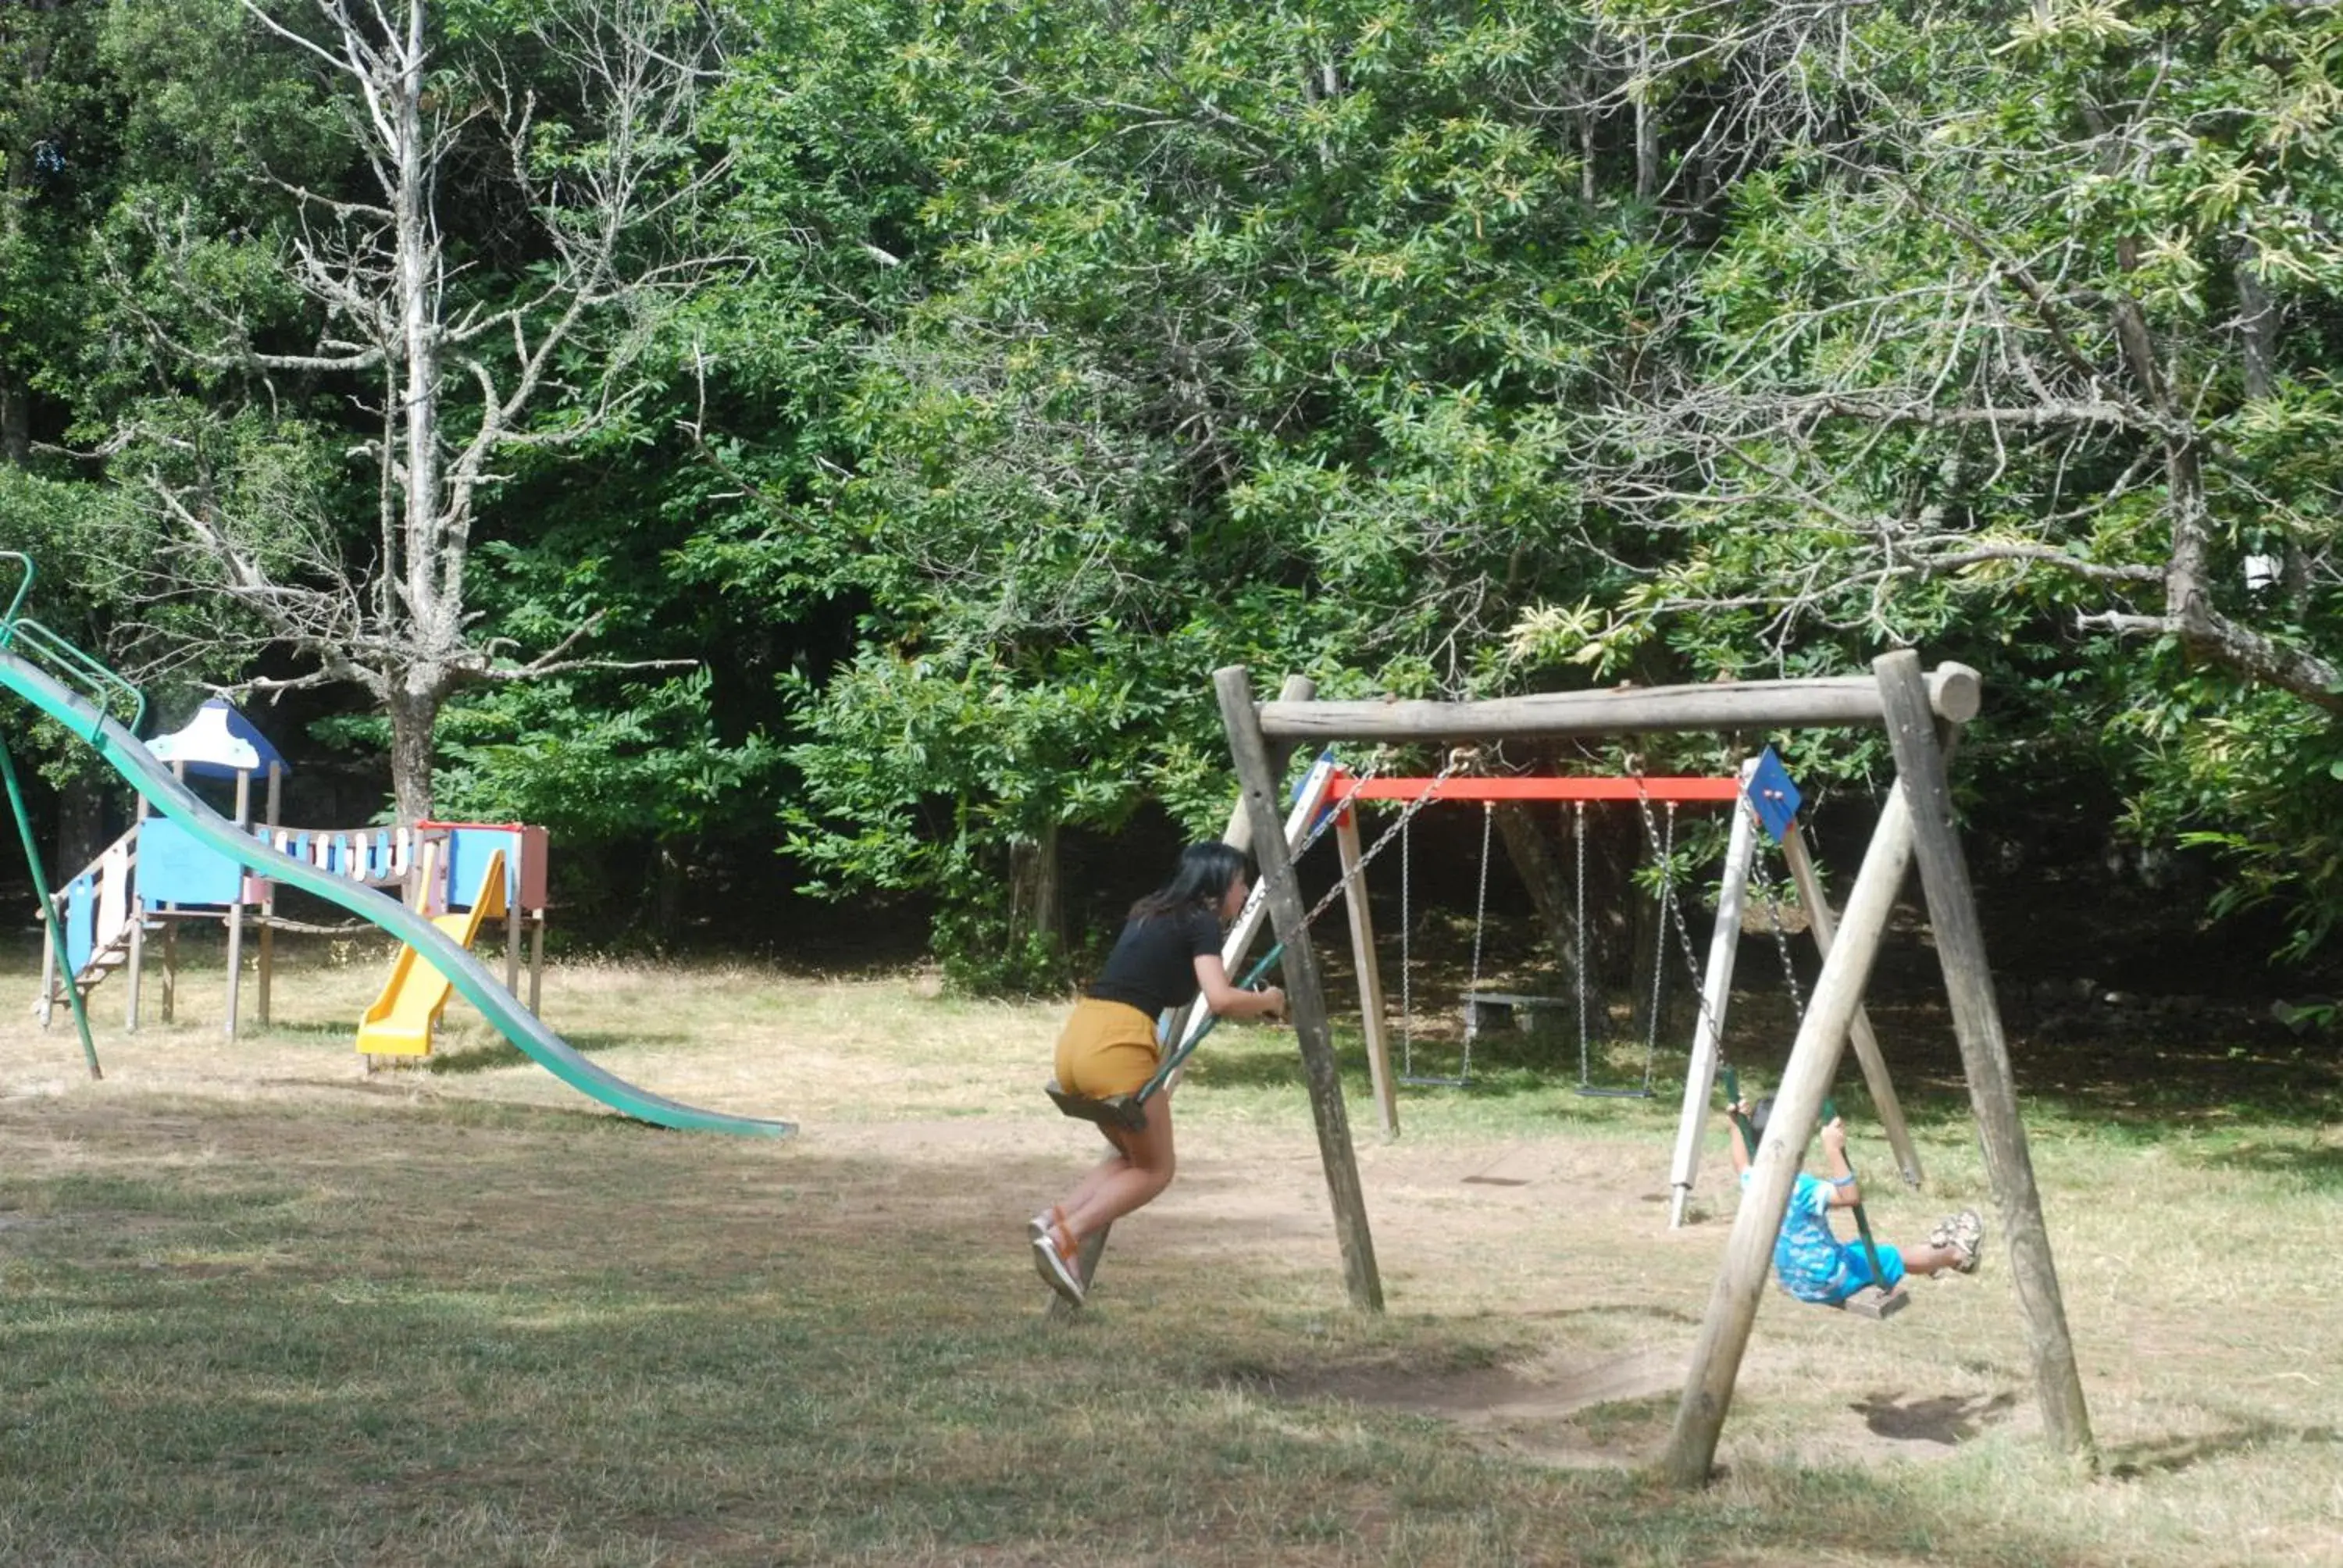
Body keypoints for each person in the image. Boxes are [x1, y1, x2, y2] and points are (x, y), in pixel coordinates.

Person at [1029, 842, 1286, 1305]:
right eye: (1241, 882)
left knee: (1130, 1155)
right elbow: (1221, 998)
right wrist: (1269, 1002)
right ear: (1219, 883)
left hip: (1078, 1039)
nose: (1245, 892)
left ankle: (1055, 1218)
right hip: (1117, 1046)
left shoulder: (1149, 912)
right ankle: (1067, 1237)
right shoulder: (1202, 920)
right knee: (1156, 1169)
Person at [1727, 1092, 1983, 1307]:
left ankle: (1928, 1262)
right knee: (1891, 1257)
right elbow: (1850, 1197)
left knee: (1858, 1250)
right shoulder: (1799, 1188)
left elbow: (1741, 1163)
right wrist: (1834, 1151)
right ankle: (1955, 1255)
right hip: (1828, 1280)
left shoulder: (1755, 1180)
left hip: (1795, 1280)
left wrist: (1735, 1125)